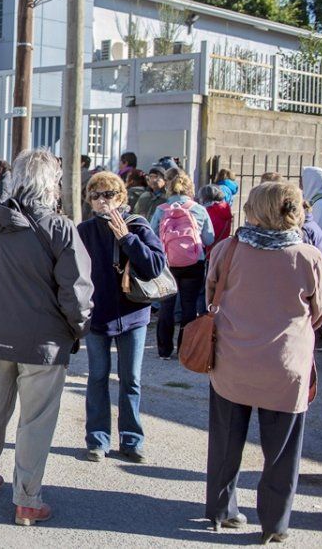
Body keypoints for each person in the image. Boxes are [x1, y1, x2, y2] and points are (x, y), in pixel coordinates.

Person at [0, 148, 93, 527]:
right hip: (43, 342)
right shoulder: (60, 228)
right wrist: (77, 329)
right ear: (52, 184)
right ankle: (27, 499)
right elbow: (77, 294)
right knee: (35, 420)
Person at [204, 182, 322, 543]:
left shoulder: (228, 249)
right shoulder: (308, 256)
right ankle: (274, 524)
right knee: (283, 451)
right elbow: (319, 312)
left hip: (232, 358)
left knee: (225, 441)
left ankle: (220, 510)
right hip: (286, 365)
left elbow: (211, 293)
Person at [77, 172, 166, 463]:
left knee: (131, 379)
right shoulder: (85, 231)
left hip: (133, 314)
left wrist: (126, 239)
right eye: (96, 195)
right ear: (89, 200)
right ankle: (97, 439)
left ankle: (131, 440)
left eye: (109, 195)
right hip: (97, 315)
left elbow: (155, 265)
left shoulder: (137, 225)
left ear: (121, 197)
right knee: (98, 377)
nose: (103, 201)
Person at [150, 170, 215, 359]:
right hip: (193, 262)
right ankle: (184, 349)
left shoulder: (161, 209)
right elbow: (209, 238)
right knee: (188, 306)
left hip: (167, 262)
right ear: (190, 188)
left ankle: (163, 350)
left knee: (166, 307)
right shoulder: (199, 209)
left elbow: (152, 234)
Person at [199, 184, 233, 253]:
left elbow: (206, 237)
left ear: (205, 198)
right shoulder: (226, 208)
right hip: (222, 249)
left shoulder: (207, 211)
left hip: (209, 251)